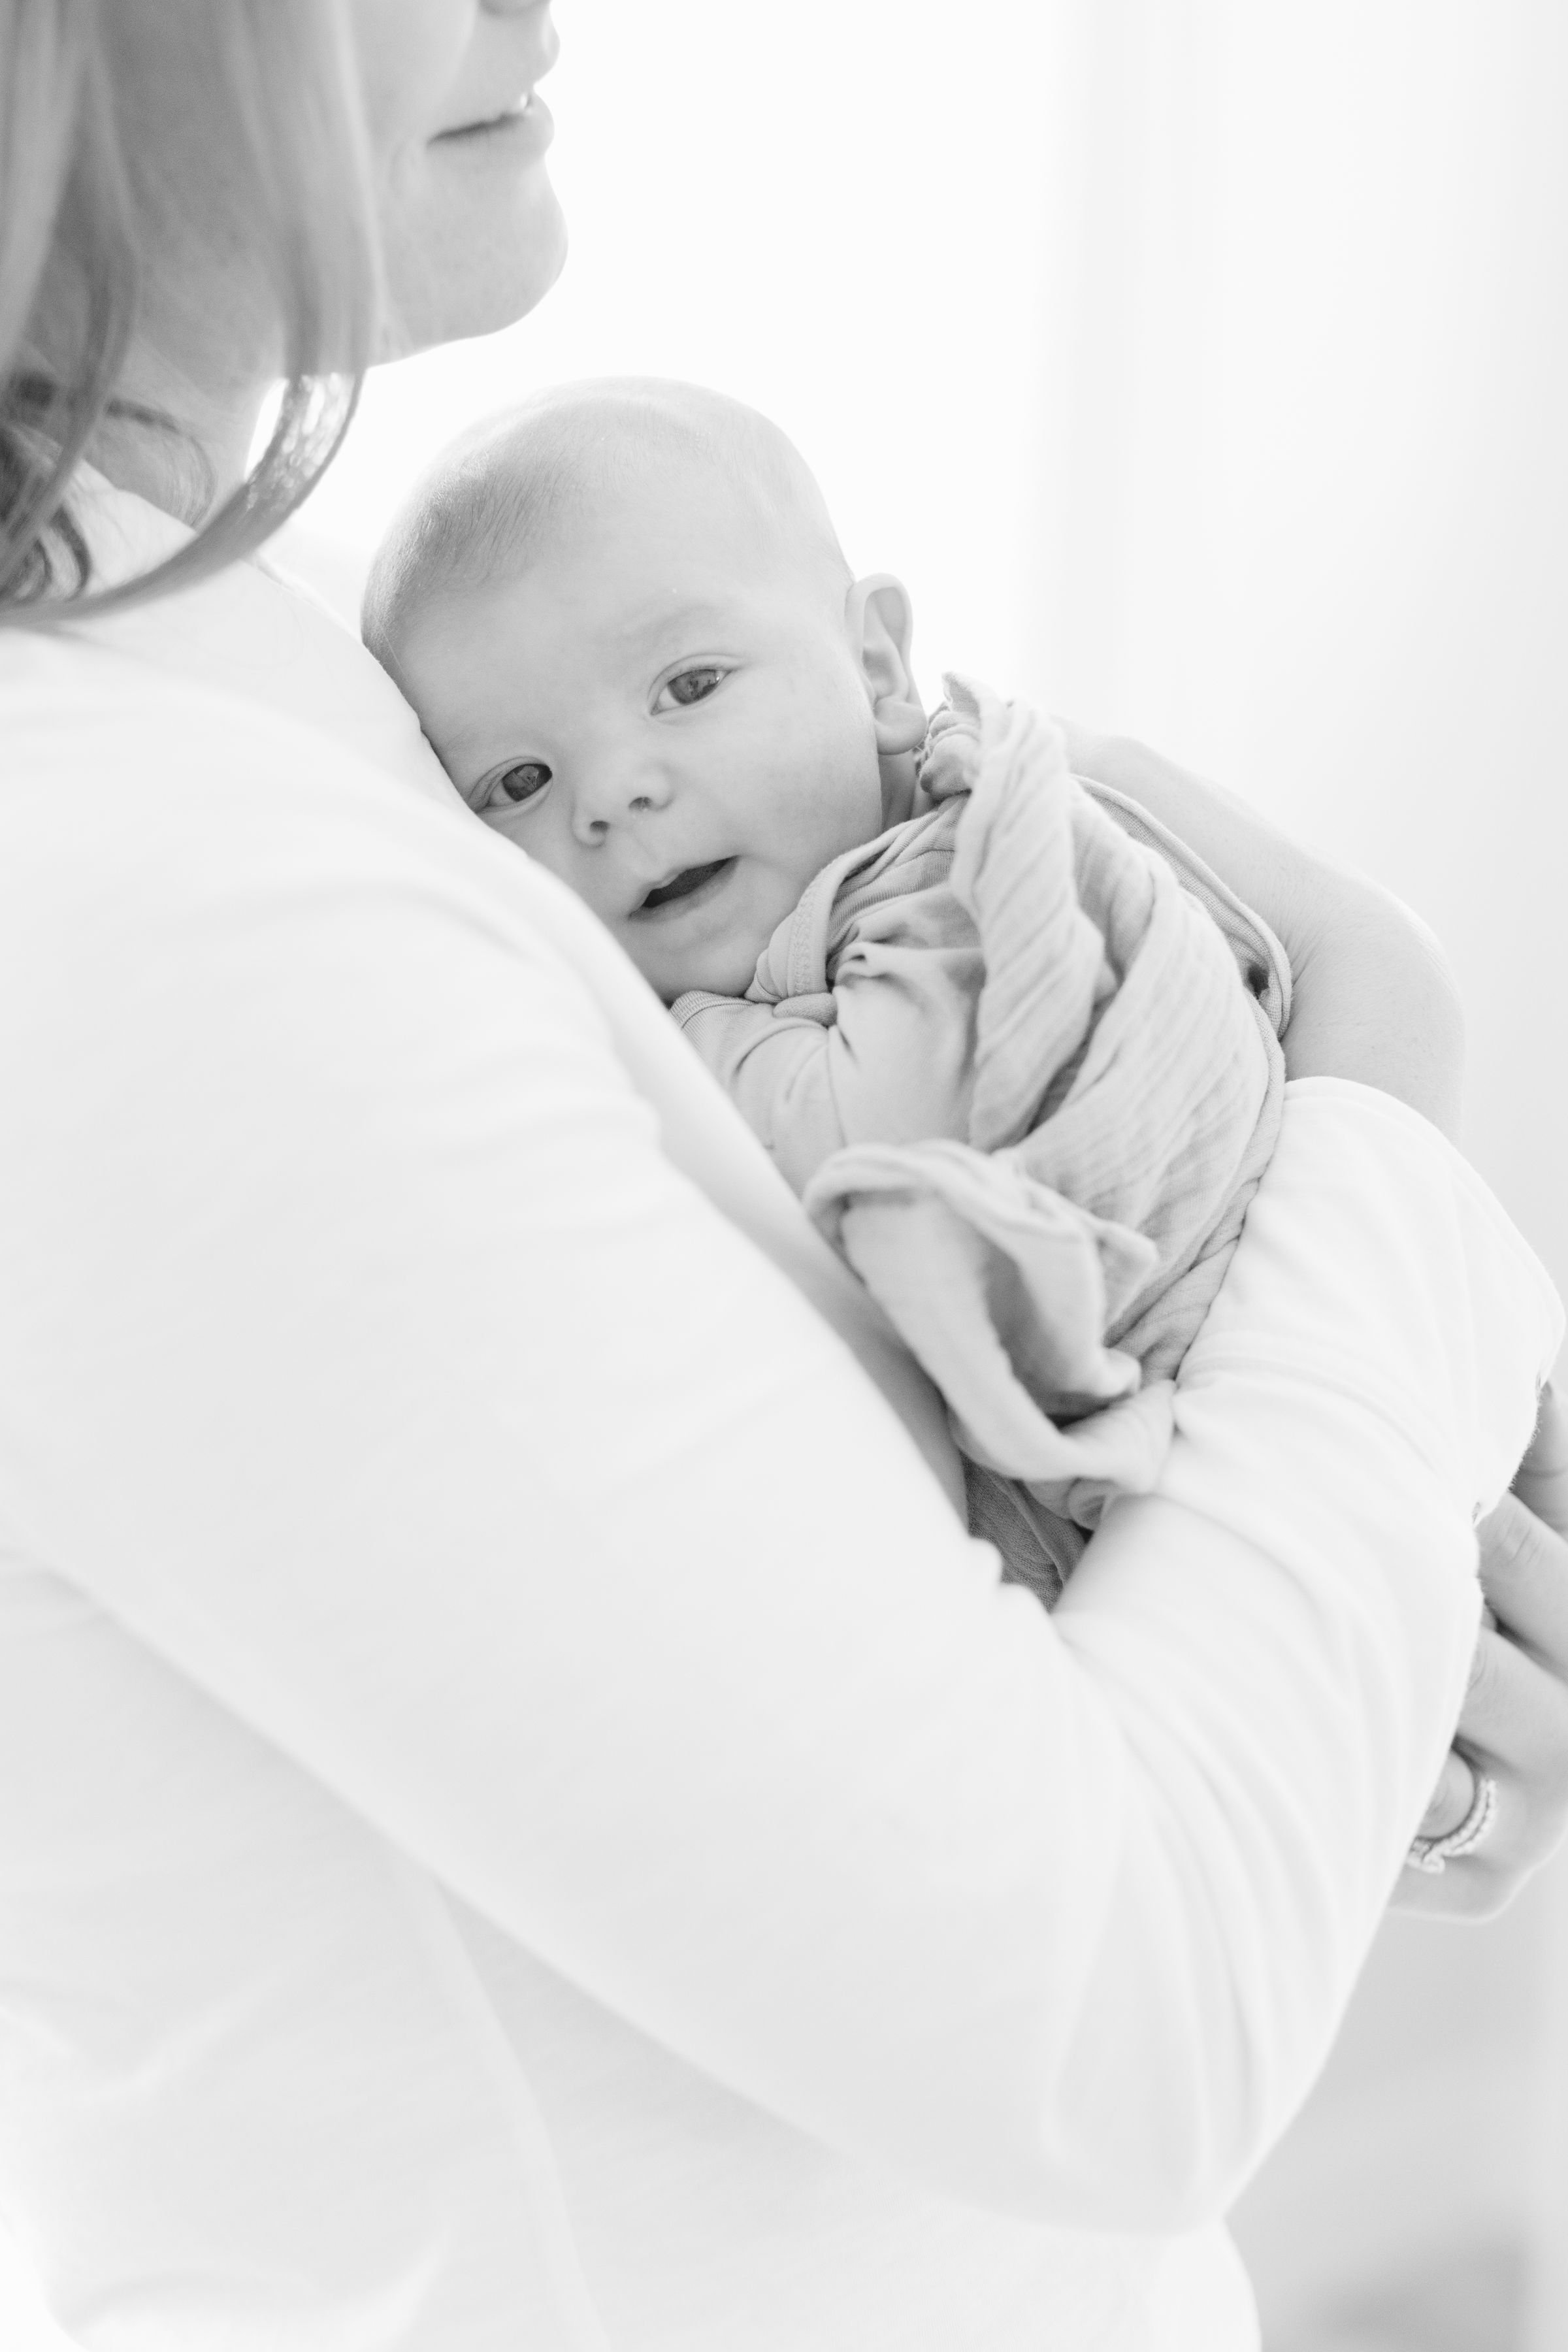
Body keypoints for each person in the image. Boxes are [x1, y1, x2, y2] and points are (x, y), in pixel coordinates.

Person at [1, 7, 1565, 2350]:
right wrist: (1380, 1088)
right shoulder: (163, 887)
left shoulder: (259, 652)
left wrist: (1315, 1681)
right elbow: (1121, 2018)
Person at [362, 378, 1292, 1595]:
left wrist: (660, 1034)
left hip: (1247, 1431)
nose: (610, 793)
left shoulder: (966, 874)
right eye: (520, 782)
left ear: (876, 664)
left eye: (688, 687)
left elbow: (872, 1143)